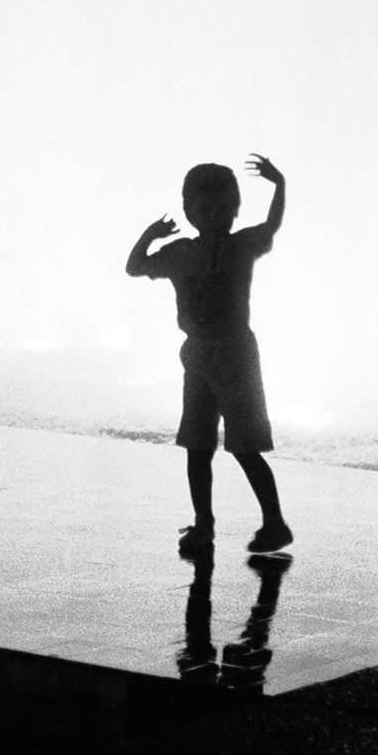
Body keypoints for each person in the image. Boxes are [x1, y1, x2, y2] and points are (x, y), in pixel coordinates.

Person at [125, 154, 292, 554]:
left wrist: (279, 184)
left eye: (224, 209)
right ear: (190, 211)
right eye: (206, 209)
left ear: (236, 211)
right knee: (197, 446)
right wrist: (150, 234)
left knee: (245, 448)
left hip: (235, 355)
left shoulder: (241, 246)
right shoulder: (183, 251)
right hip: (198, 356)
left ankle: (274, 522)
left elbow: (272, 225)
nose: (216, 216)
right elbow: (133, 267)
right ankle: (204, 525)